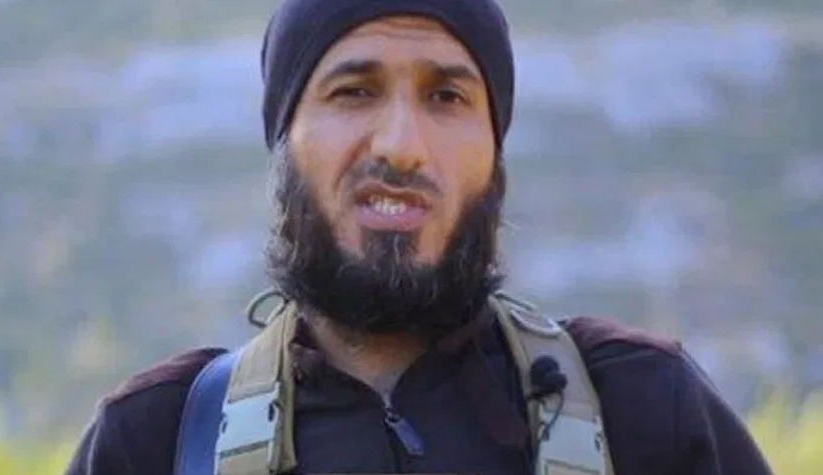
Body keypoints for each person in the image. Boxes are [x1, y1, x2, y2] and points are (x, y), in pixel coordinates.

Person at [64, 0, 775, 474]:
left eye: (447, 96)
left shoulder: (645, 411)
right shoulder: (152, 440)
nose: (401, 146)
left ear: (494, 153)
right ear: (285, 141)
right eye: (354, 91)